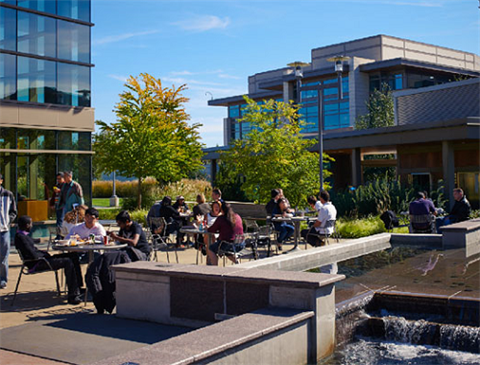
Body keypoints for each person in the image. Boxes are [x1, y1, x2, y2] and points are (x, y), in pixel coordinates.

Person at [15, 215, 83, 304]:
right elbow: (33, 255)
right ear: (27, 225)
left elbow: (33, 251)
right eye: (31, 224)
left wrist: (44, 253)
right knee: (67, 262)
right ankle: (73, 295)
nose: (32, 226)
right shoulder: (21, 237)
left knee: (73, 256)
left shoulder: (22, 235)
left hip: (42, 259)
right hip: (37, 263)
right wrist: (44, 254)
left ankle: (78, 287)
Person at [0, 174, 17, 289]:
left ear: (1, 181)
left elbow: (13, 211)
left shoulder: (8, 194)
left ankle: (2, 280)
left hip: (4, 230)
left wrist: (8, 221)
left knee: (3, 257)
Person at [50, 172, 65, 239]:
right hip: (57, 205)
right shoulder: (57, 185)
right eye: (57, 179)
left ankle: (60, 235)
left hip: (62, 205)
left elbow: (65, 194)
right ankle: (59, 234)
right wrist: (52, 204)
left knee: (60, 220)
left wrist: (60, 191)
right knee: (58, 220)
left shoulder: (64, 186)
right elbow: (53, 196)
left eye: (60, 179)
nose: (58, 180)